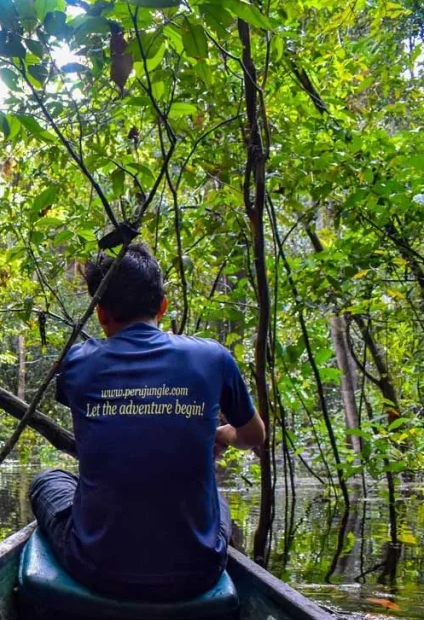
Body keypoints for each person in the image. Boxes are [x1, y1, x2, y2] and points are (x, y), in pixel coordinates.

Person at [30, 243, 266, 601]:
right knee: (216, 497)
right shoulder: (213, 357)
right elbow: (254, 436)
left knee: (48, 481)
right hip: (197, 572)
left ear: (101, 314)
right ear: (163, 306)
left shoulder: (77, 363)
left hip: (98, 569)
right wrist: (223, 434)